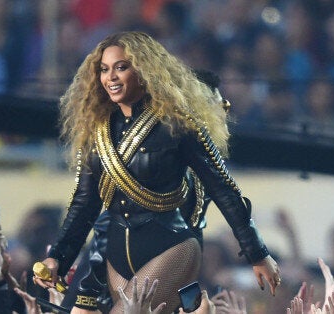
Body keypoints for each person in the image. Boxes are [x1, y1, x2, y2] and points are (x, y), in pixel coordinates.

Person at [33, 31, 280, 313]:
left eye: (121, 67)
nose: (110, 77)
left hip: (172, 248)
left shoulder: (179, 126)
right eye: (104, 69)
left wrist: (257, 253)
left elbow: (224, 189)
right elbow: (84, 205)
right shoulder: (96, 134)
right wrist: (57, 259)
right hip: (115, 255)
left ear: (144, 71)